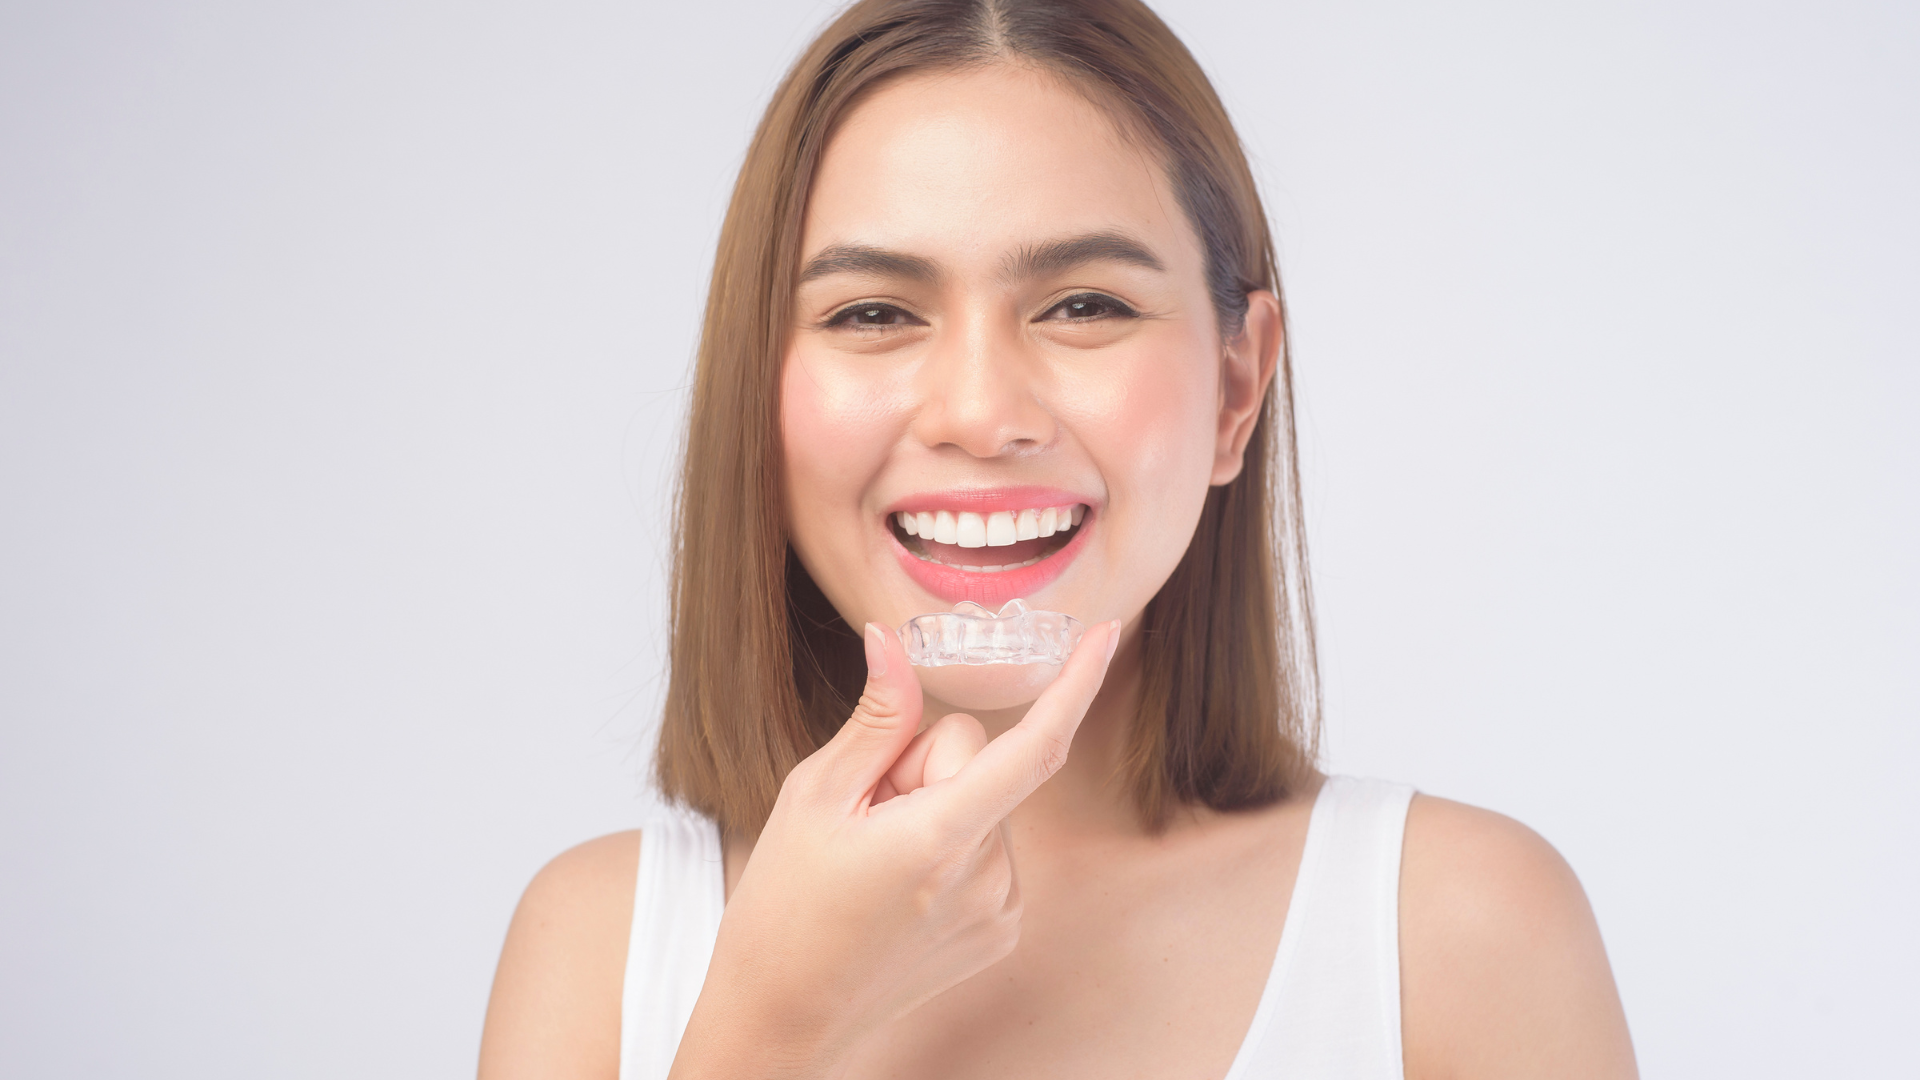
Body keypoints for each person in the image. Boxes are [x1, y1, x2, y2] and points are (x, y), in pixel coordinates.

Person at [477, 1, 1638, 1076]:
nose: (981, 415)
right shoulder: (595, 946)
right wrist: (772, 1023)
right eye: (873, 313)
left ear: (1238, 389)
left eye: (1086, 305)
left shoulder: (1463, 933)